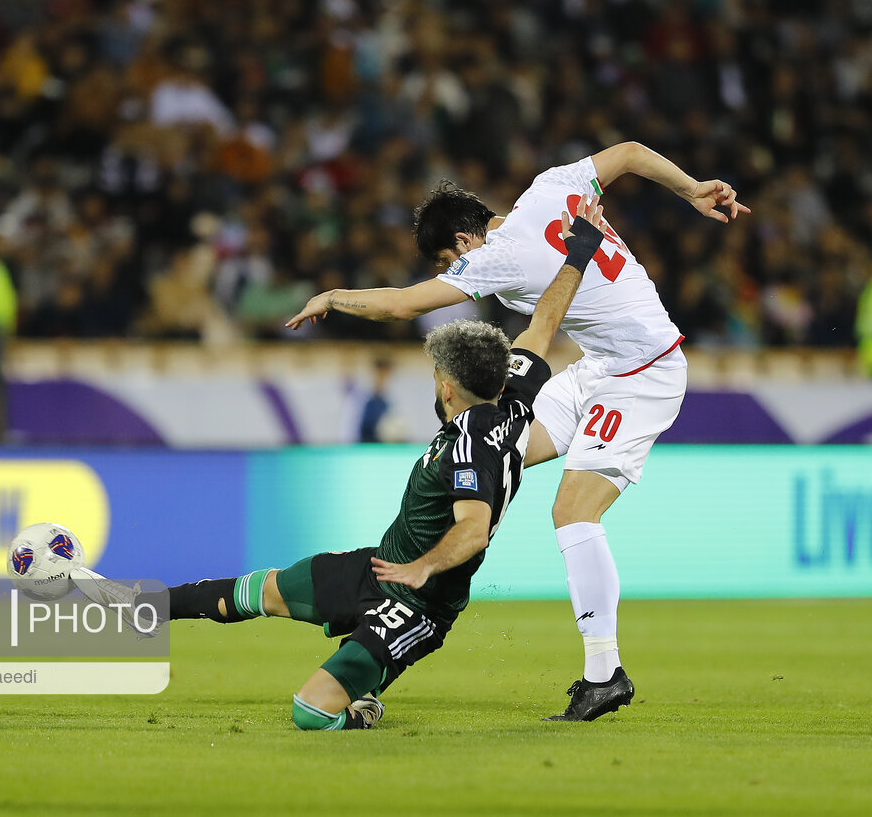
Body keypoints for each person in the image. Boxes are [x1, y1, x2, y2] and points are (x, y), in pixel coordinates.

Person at [287, 142, 750, 721]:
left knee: (573, 512)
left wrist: (332, 296)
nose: (447, 274)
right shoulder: (550, 187)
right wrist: (691, 188)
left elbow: (404, 305)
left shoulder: (493, 257)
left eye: (443, 260)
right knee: (493, 450)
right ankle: (412, 594)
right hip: (598, 365)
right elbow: (629, 153)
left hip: (643, 373)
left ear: (462, 242)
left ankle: (604, 674)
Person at [128, 200, 609, 730]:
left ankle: (365, 703)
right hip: (378, 566)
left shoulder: (473, 445)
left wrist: (423, 567)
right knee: (254, 592)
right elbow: (543, 322)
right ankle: (128, 608)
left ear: (447, 387)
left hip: (416, 604)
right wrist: (580, 250)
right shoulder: (510, 400)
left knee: (310, 711)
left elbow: (473, 529)